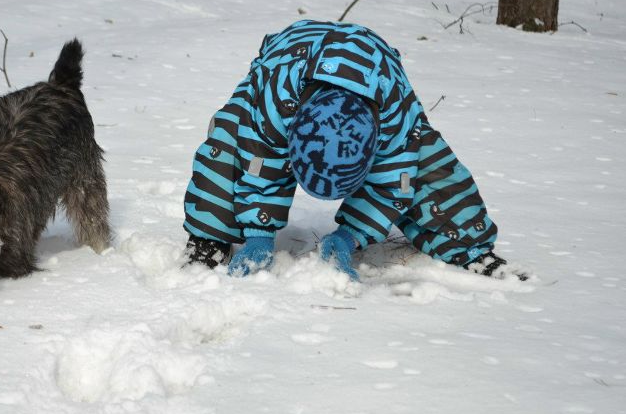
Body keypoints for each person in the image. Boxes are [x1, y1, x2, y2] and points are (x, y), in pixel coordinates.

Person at [182, 20, 526, 281]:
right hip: (291, 54)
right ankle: (208, 238)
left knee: (428, 164)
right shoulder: (274, 97)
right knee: (229, 140)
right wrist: (259, 233)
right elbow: (261, 162)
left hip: (375, 71)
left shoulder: (396, 116)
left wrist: (350, 236)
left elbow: (392, 182)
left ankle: (470, 248)